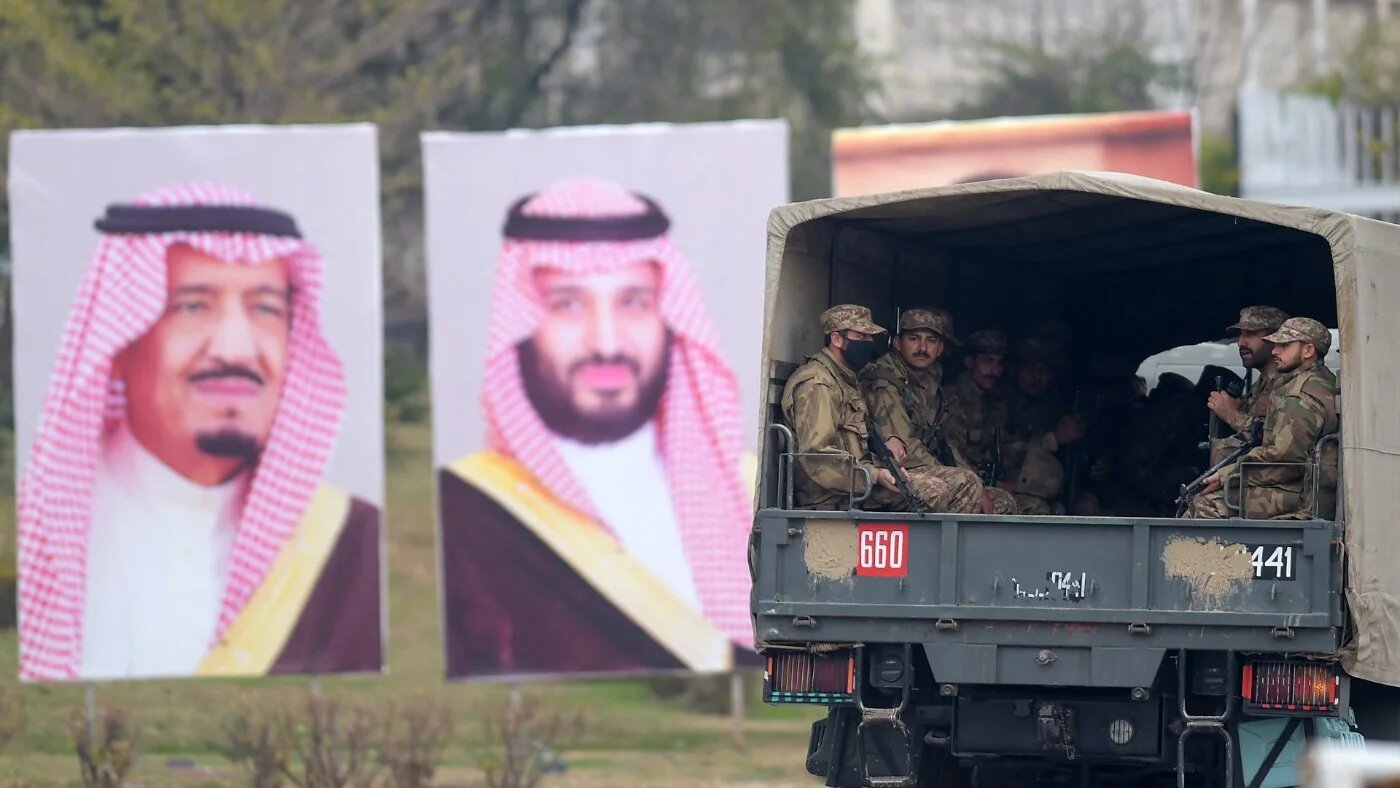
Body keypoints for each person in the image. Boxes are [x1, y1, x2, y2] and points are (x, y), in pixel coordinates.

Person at [17, 183, 381, 681]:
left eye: (265, 309)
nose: (235, 348)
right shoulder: (38, 528)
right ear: (120, 344)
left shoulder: (353, 542)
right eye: (192, 306)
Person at [438, 177, 757, 678]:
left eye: (633, 303)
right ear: (521, 324)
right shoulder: (467, 508)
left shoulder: (750, 487)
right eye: (567, 304)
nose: (606, 342)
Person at [782, 305, 989, 514]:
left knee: (966, 482)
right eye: (860, 336)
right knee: (934, 491)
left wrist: (890, 439)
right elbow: (818, 458)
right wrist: (875, 475)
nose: (868, 343)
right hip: (836, 491)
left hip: (860, 479)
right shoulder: (818, 384)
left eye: (870, 337)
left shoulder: (846, 378)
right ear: (836, 339)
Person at [860, 308, 1017, 514]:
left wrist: (976, 481)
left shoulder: (930, 381)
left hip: (919, 471)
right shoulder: (885, 380)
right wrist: (962, 478)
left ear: (941, 348)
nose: (923, 347)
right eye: (914, 339)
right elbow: (906, 448)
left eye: (931, 340)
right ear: (898, 343)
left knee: (1002, 501)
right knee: (966, 484)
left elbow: (944, 442)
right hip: (887, 473)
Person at [1183, 318, 1340, 520]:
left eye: (1284, 346)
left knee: (1204, 505)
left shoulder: (1298, 397)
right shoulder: (1319, 380)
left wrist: (1226, 475)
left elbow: (1283, 459)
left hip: (1300, 495)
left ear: (1308, 351)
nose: (1275, 351)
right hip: (1303, 487)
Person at [1000, 336, 1090, 515]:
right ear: (1015, 368)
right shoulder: (999, 401)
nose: (1037, 376)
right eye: (1030, 367)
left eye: (1045, 370)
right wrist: (1053, 439)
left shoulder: (1053, 406)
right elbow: (1003, 454)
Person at [1206, 305, 1289, 464]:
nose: (1240, 342)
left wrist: (1233, 416)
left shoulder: (1289, 384)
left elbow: (1281, 444)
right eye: (1240, 334)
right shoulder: (1262, 384)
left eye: (1250, 334)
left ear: (1275, 338)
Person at [942, 329, 1011, 487]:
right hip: (962, 482)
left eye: (999, 363)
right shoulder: (953, 397)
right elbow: (950, 451)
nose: (995, 370)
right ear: (969, 362)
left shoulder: (995, 400)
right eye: (988, 361)